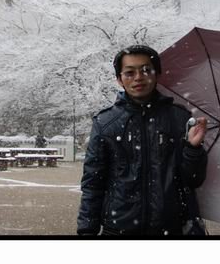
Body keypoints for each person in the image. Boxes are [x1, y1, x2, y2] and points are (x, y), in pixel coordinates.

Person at [77, 45, 208, 236]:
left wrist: (193, 148)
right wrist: (86, 233)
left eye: (146, 70)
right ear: (119, 79)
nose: (138, 77)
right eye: (129, 72)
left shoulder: (179, 118)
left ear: (157, 74)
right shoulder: (105, 123)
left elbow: (194, 180)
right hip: (119, 232)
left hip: (171, 231)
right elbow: (93, 185)